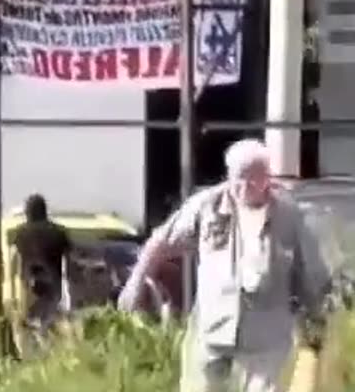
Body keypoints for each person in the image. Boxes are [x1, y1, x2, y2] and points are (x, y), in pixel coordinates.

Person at [118, 138, 331, 392]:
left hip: (266, 333)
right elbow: (161, 241)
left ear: (267, 177)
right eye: (238, 177)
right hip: (213, 325)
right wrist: (135, 282)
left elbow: (310, 269)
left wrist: (316, 313)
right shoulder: (207, 205)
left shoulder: (288, 214)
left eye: (253, 178)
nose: (244, 186)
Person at [11, 194, 73, 331]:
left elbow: (14, 261)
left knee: (25, 328)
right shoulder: (58, 232)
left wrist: (14, 291)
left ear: (28, 212)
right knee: (52, 328)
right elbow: (69, 261)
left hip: (29, 288)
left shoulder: (21, 233)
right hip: (53, 288)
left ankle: (27, 350)